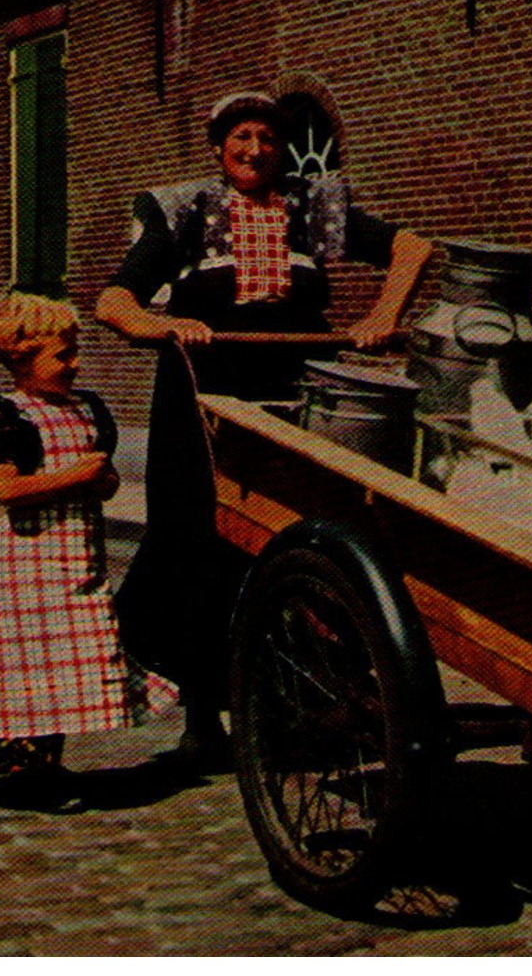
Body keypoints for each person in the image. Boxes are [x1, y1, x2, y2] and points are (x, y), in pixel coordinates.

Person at [96, 91, 432, 768]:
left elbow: (410, 247)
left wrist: (381, 315)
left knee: (296, 541)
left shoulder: (313, 209)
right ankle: (200, 716)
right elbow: (114, 302)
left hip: (293, 397)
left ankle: (295, 699)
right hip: (203, 403)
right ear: (218, 146)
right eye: (240, 138)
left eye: (268, 140)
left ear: (284, 149)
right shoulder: (182, 211)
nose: (254, 151)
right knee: (198, 542)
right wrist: (163, 325)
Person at [0, 292, 177, 802]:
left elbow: (106, 484)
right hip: (26, 560)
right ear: (20, 360)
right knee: (23, 663)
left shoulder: (86, 409)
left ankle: (45, 763)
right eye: (61, 356)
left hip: (78, 556)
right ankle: (19, 768)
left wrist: (101, 479)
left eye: (74, 351)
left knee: (69, 657)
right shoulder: (3, 415)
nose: (74, 364)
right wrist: (73, 475)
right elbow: (9, 490)